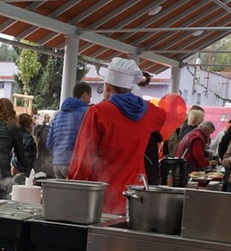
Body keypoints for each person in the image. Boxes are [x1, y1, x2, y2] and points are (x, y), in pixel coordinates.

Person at [67, 57, 165, 214]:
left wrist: (71, 189)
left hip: (103, 198)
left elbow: (83, 159)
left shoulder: (97, 112)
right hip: (135, 197)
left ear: (107, 86)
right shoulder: (149, 112)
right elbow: (163, 115)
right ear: (130, 87)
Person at [0, 98, 28, 198]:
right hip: (3, 166)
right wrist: (28, 172)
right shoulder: (13, 127)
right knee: (1, 197)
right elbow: (20, 154)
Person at [47, 83, 92, 178]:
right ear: (84, 95)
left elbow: (49, 144)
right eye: (89, 97)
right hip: (75, 164)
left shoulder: (57, 115)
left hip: (57, 164)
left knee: (60, 188)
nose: (89, 101)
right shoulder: (86, 113)